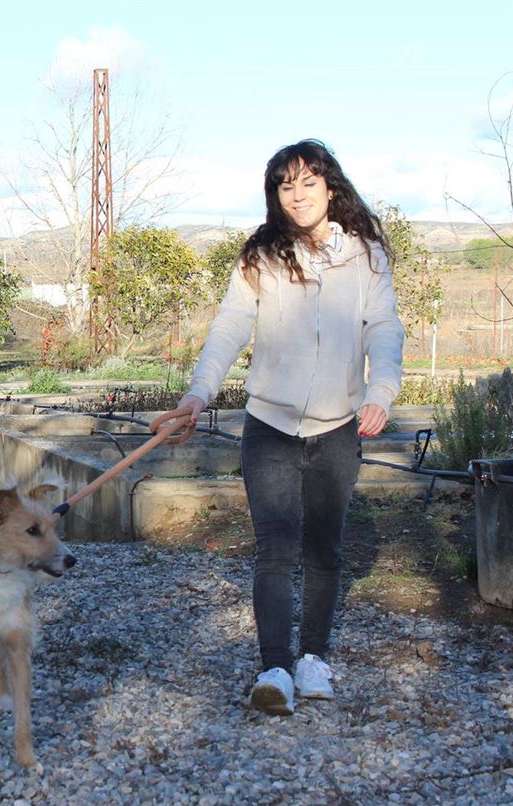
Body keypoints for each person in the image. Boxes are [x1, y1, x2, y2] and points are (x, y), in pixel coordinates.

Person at [166, 139, 405, 715]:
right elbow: (228, 328)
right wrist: (198, 394)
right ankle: (274, 666)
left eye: (307, 182)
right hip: (269, 425)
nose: (296, 195)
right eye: (285, 185)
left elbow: (384, 327)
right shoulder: (261, 257)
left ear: (330, 187)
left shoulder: (366, 255)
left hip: (338, 428)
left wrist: (381, 390)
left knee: (324, 550)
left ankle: (314, 658)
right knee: (274, 549)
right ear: (275, 195)